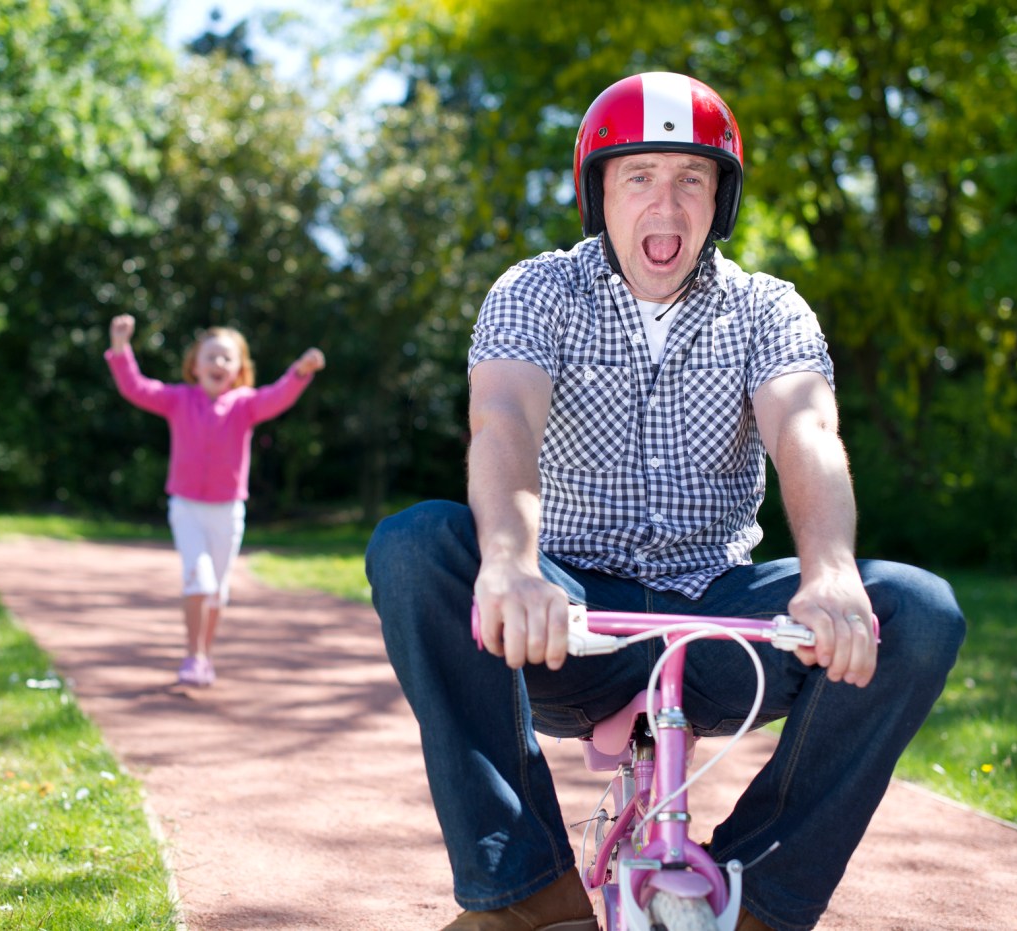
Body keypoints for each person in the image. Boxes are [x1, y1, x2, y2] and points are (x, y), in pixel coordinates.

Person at [365, 72, 965, 931]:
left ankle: (759, 895)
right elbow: (502, 421)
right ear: (596, 192)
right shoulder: (538, 291)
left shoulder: (768, 308)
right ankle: (525, 889)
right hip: (567, 617)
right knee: (417, 543)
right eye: (638, 175)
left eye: (692, 178)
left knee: (919, 611)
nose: (667, 203)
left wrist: (831, 572)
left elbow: (807, 432)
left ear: (721, 200)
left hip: (720, 622)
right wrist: (510, 561)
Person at [106, 313, 325, 687]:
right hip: (187, 507)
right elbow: (136, 388)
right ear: (195, 364)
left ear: (240, 368)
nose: (218, 364)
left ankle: (205, 654)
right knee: (199, 581)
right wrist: (120, 347)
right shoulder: (178, 400)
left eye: (227, 358)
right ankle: (192, 655)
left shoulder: (246, 405)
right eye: (210, 356)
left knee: (217, 591)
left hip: (227, 511)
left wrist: (300, 371)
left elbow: (279, 395)